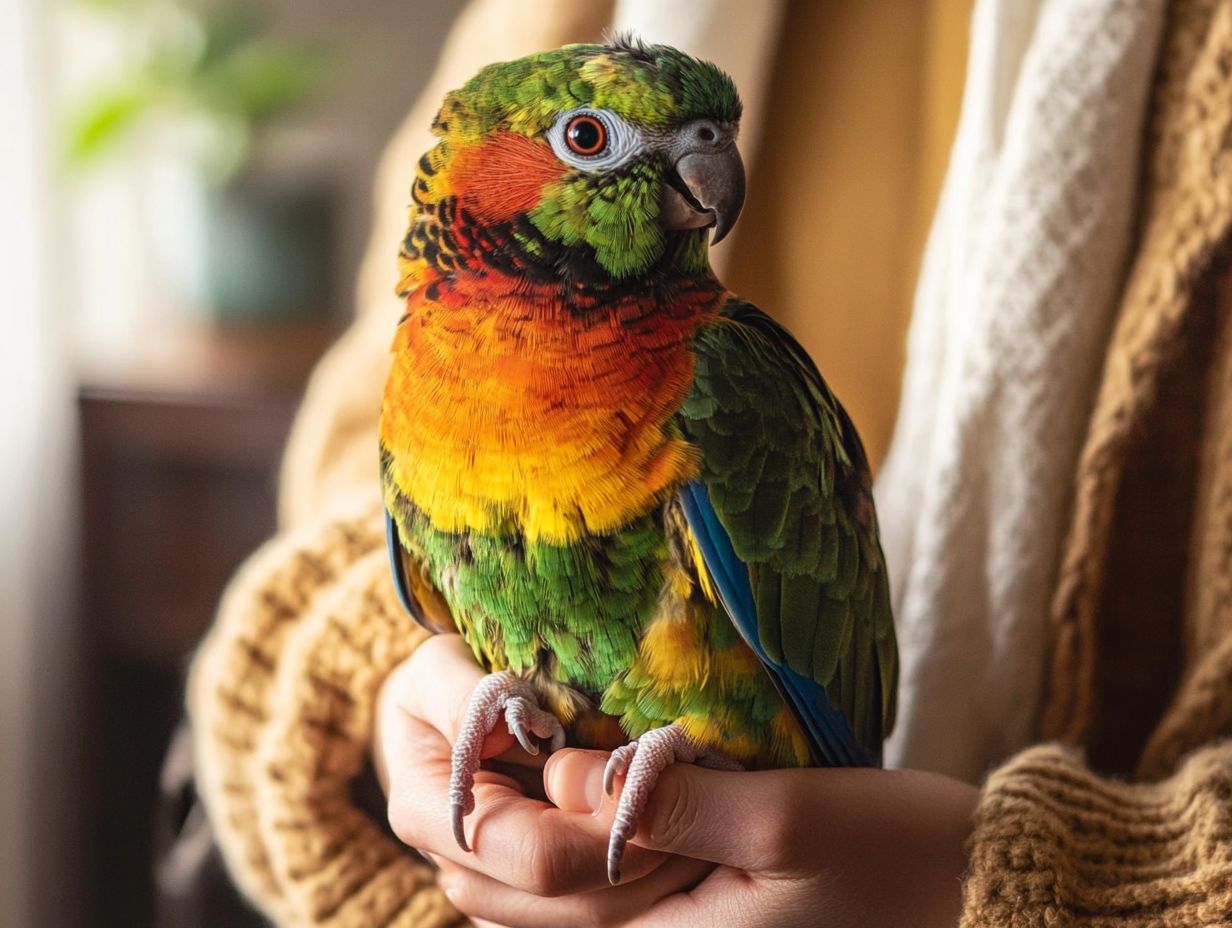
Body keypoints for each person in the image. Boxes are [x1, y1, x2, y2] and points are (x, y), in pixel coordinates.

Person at [183, 0, 1232, 925]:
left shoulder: (725, 378)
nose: (697, 165)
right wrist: (394, 712)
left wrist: (979, 888)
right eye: (589, 138)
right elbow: (348, 569)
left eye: (704, 140)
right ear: (470, 175)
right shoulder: (416, 377)